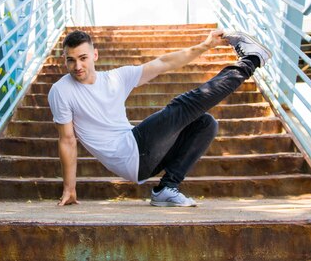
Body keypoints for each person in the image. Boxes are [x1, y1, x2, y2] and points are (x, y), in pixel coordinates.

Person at [48, 28, 271, 207]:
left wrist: (205, 45)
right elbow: (67, 140)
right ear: (65, 61)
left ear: (95, 55)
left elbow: (163, 63)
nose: (77, 66)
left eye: (83, 58)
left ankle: (166, 188)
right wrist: (69, 188)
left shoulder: (116, 78)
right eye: (71, 60)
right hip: (129, 154)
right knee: (183, 106)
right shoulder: (61, 91)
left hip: (143, 155)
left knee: (205, 123)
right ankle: (250, 61)